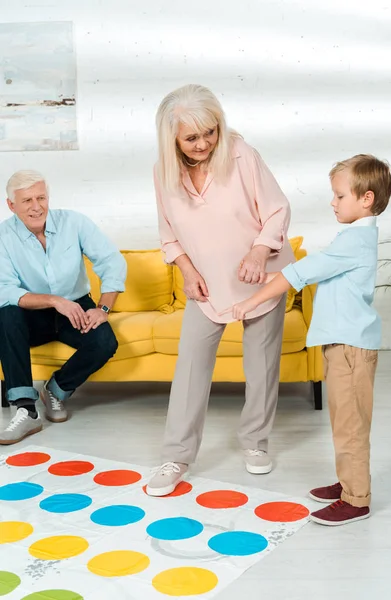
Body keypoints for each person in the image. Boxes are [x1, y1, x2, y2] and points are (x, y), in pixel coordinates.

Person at [229, 154, 391, 526]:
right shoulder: (354, 236)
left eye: (339, 196)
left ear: (365, 199)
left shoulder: (355, 240)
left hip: (351, 346)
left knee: (350, 423)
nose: (332, 203)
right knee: (343, 419)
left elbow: (299, 273)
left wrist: (250, 300)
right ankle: (349, 482)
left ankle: (356, 499)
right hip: (343, 344)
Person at [146, 84, 294, 497]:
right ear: (171, 137)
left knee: (260, 366)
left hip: (260, 279)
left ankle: (255, 442)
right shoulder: (163, 171)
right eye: (191, 137)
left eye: (209, 132)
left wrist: (259, 251)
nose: (203, 143)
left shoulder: (243, 155)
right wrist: (186, 271)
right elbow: (168, 232)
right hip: (207, 285)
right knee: (190, 368)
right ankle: (176, 454)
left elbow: (278, 209)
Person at [0, 170, 127, 445]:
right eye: (27, 201)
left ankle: (57, 390)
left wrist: (102, 309)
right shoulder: (3, 236)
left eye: (41, 197)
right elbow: (6, 290)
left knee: (104, 341)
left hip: (76, 307)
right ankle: (26, 409)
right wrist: (55, 301)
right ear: (11, 205)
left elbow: (111, 261)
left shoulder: (74, 222)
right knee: (5, 314)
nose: (36, 207)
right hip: (30, 313)